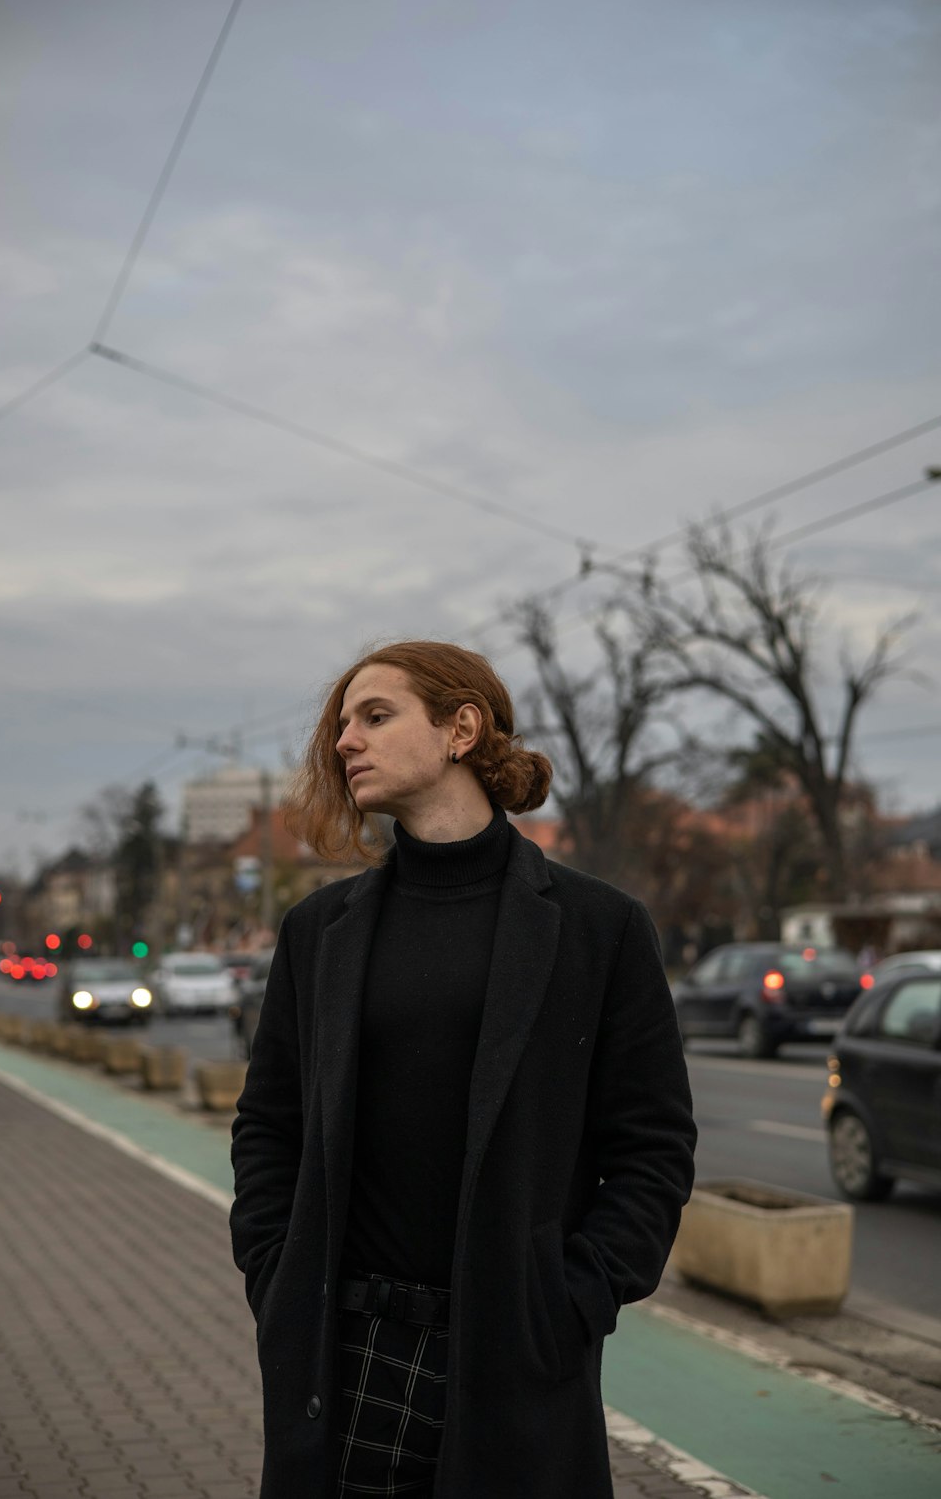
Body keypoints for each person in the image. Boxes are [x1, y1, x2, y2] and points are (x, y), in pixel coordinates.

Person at [230, 640, 696, 1499]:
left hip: (511, 1351)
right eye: (342, 726)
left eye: (375, 716)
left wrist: (571, 1301)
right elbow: (269, 1125)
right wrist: (272, 1269)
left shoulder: (600, 928)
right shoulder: (318, 930)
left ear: (461, 729)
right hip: (339, 1355)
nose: (344, 743)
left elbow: (654, 1148)